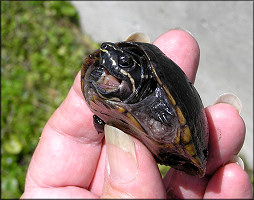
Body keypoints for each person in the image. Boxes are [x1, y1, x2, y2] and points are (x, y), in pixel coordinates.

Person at [21, 29, 253, 198]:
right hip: (129, 122)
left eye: (123, 62)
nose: (109, 59)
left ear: (142, 77)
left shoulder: (156, 93)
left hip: (174, 138)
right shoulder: (108, 91)